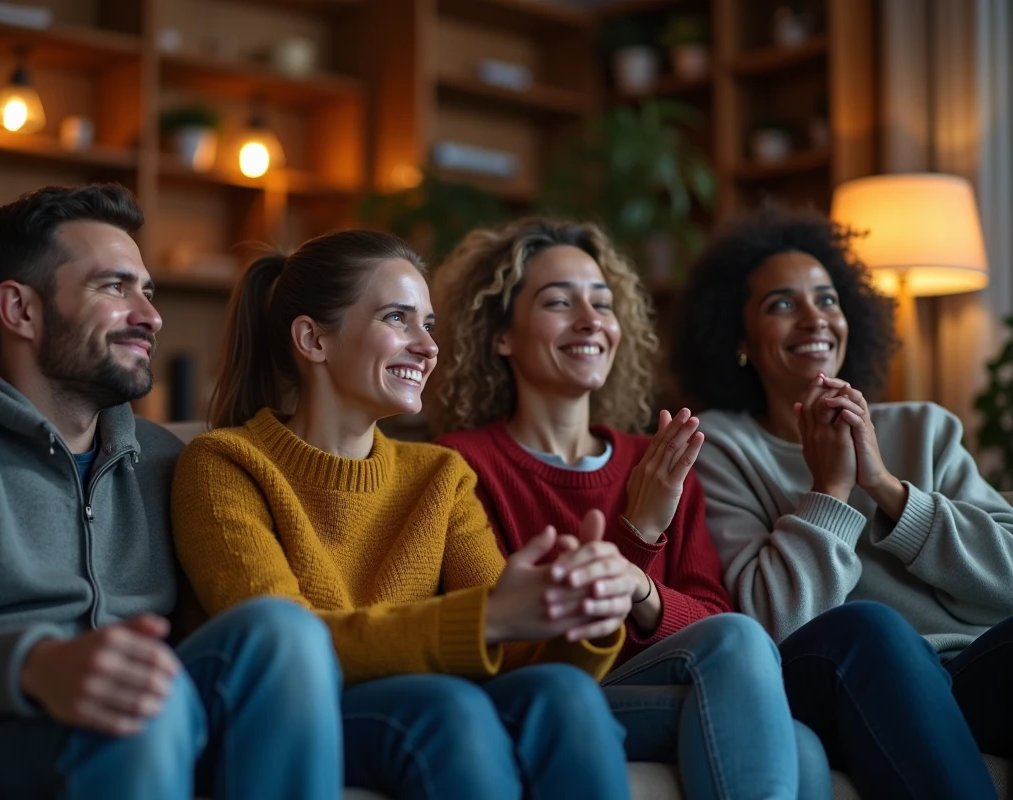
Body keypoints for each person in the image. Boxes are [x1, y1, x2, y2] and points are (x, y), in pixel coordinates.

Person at [0, 184, 342, 800]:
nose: (150, 316)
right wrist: (39, 665)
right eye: (114, 287)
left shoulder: (163, 458)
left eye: (147, 292)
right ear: (21, 310)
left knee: (283, 632)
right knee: (142, 710)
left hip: (160, 716)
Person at [172, 229, 633, 799]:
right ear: (313, 339)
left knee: (568, 696)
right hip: (294, 716)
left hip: (423, 703)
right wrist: (487, 617)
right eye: (398, 319)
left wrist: (584, 614)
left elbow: (516, 656)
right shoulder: (225, 465)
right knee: (448, 706)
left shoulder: (438, 475)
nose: (428, 346)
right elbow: (284, 652)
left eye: (429, 325)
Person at [429, 217, 830, 800]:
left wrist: (641, 590)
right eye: (559, 303)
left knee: (804, 746)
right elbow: (513, 649)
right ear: (500, 335)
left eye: (604, 303)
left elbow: (713, 616)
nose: (591, 321)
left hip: (656, 684)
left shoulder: (660, 459)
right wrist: (636, 536)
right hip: (550, 696)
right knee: (771, 699)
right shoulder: (460, 466)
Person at [672, 204, 1006, 799]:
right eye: (781, 304)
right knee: (871, 626)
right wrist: (830, 491)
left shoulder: (924, 428)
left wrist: (886, 488)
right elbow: (770, 624)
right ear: (740, 339)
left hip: (969, 671)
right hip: (845, 673)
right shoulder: (717, 445)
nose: (813, 320)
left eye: (827, 299)